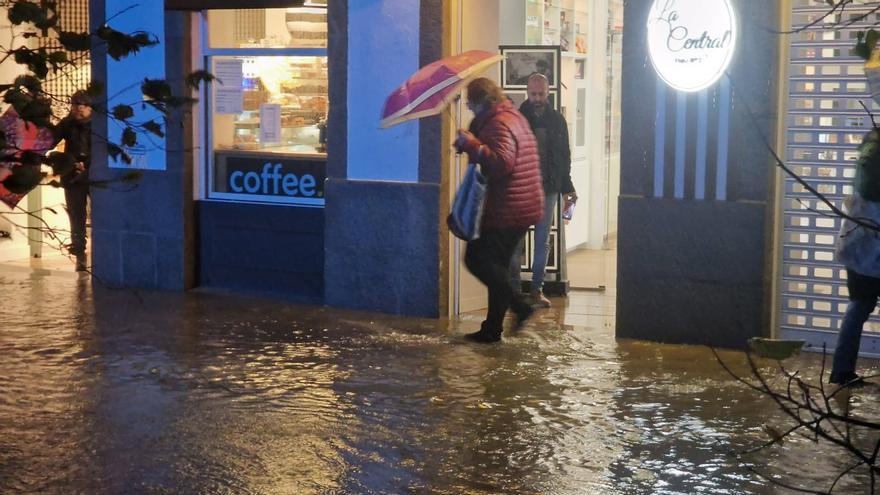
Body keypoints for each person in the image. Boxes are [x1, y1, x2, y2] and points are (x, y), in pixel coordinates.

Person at [454, 77, 544, 343]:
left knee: (476, 259)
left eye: (470, 102)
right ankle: (492, 329)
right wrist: (471, 141)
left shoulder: (498, 123)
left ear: (482, 101)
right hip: (521, 205)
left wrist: (471, 144)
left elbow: (502, 162)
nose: (469, 107)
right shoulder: (510, 115)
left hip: (509, 208)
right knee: (499, 267)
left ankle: (520, 306)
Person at [510, 73, 576, 308]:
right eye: (532, 93)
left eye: (540, 93)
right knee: (517, 241)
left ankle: (536, 290)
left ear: (548, 92)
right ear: (527, 92)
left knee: (541, 241)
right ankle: (516, 291)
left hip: (548, 188)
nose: (536, 98)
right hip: (523, 187)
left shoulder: (557, 120)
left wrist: (567, 187)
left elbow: (564, 156)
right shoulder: (518, 118)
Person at [832, 129, 880, 386]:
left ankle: (841, 370)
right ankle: (841, 370)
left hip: (860, 241)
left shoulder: (869, 148)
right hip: (872, 244)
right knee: (860, 305)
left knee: (859, 305)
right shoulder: (875, 153)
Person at [52, 90, 92, 271]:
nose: (75, 109)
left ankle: (102, 250)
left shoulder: (100, 124)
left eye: (79, 106)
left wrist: (89, 164)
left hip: (94, 174)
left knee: (101, 213)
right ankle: (79, 252)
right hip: (72, 175)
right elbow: (50, 140)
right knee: (76, 214)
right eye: (74, 105)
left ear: (89, 107)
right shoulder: (67, 124)